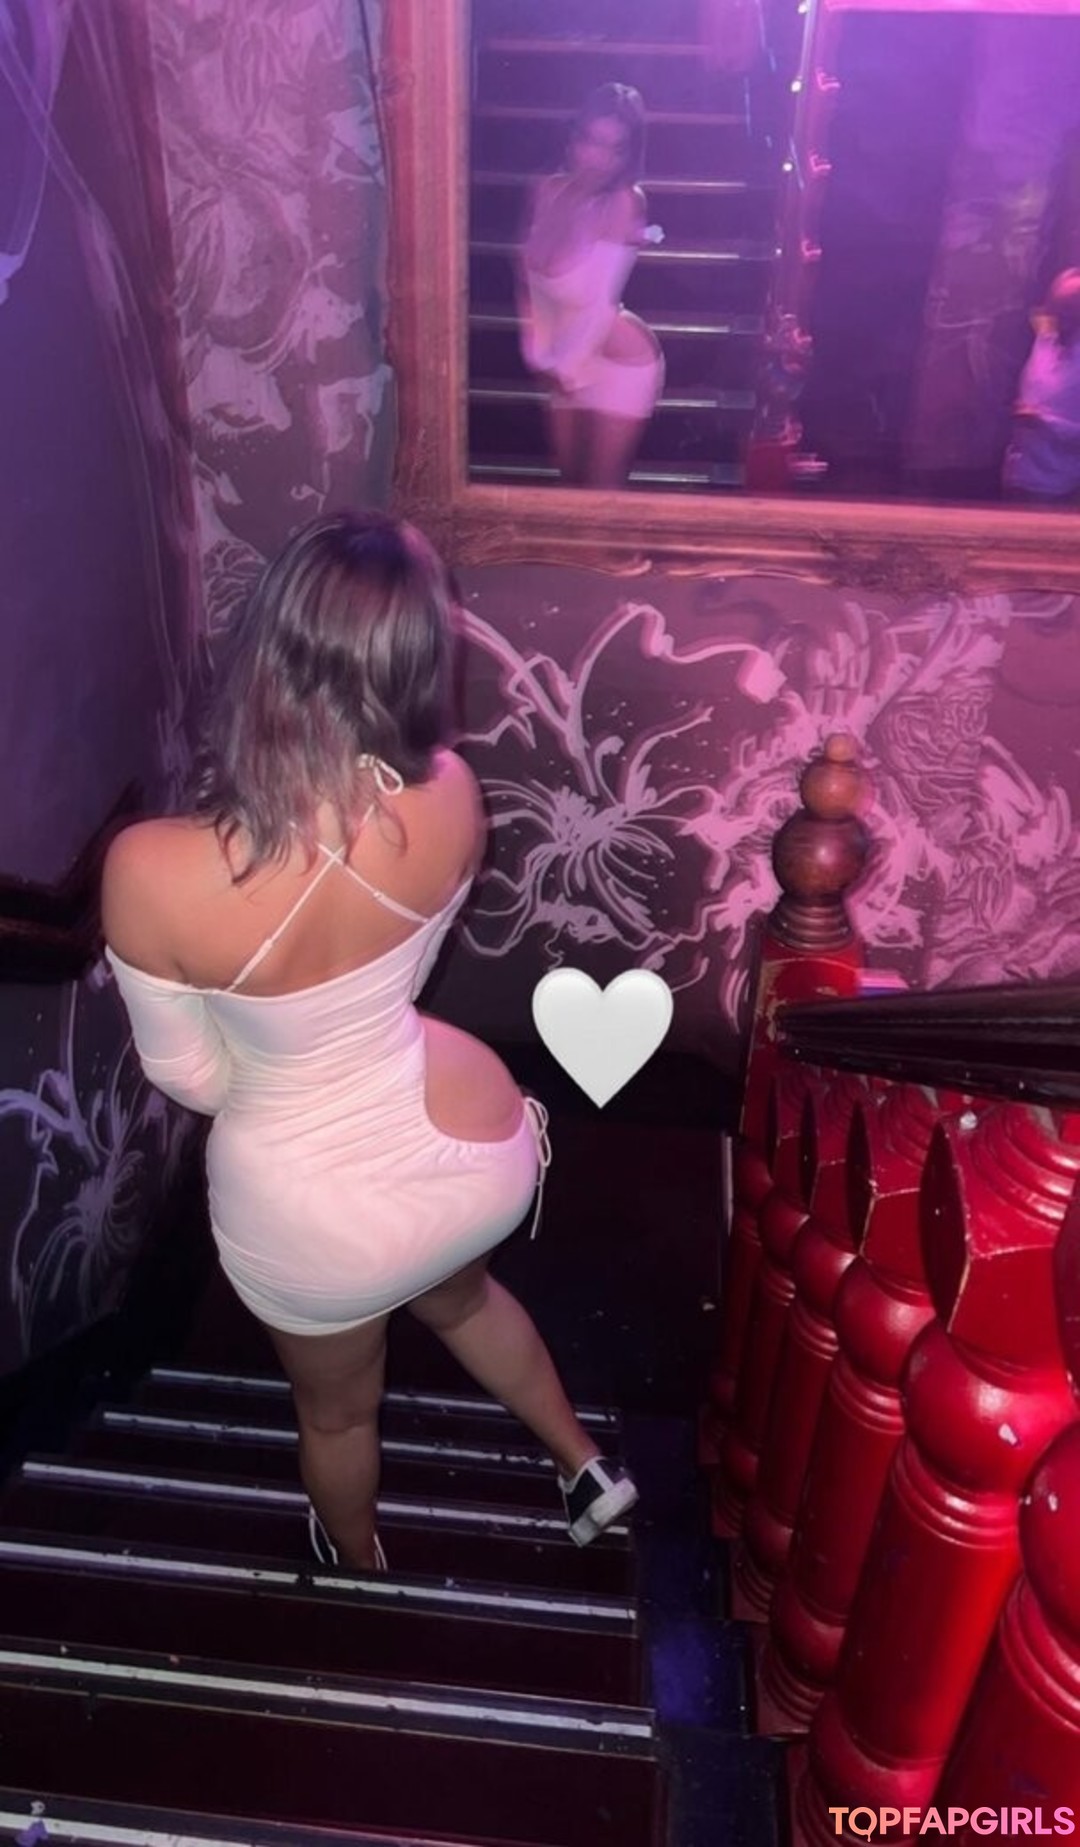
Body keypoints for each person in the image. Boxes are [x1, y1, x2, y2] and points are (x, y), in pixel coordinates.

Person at [101, 512, 638, 1571]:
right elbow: (404, 967)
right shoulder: (454, 794)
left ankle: (363, 1573)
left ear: (268, 647)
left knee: (339, 1412)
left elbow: (193, 1077)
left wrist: (285, 1055)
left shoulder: (150, 869)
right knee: (464, 1296)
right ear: (418, 658)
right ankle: (586, 1465)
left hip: (315, 1221)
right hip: (469, 1156)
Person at [518, 82, 665, 488]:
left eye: (614, 149)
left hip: (616, 361)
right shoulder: (546, 190)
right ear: (574, 137)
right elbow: (528, 286)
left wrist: (561, 368)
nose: (598, 158)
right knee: (569, 485)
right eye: (591, 141)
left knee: (599, 495)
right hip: (563, 356)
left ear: (627, 156)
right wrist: (540, 356)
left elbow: (599, 305)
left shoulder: (624, 202)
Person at [1003, 268, 1080, 506]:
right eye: (1057, 306)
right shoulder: (1045, 340)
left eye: (1070, 308)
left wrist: (1043, 422)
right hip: (1016, 474)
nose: (1060, 315)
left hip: (1061, 486)